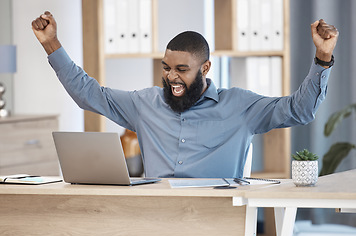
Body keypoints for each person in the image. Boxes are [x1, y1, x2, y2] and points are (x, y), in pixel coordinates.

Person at [32, 11, 338, 178]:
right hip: (157, 215)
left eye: (182, 69)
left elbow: (300, 110)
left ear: (204, 67)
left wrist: (323, 57)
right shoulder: (144, 103)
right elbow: (90, 94)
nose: (171, 77)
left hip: (218, 216)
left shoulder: (241, 106)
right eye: (166, 68)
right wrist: (51, 44)